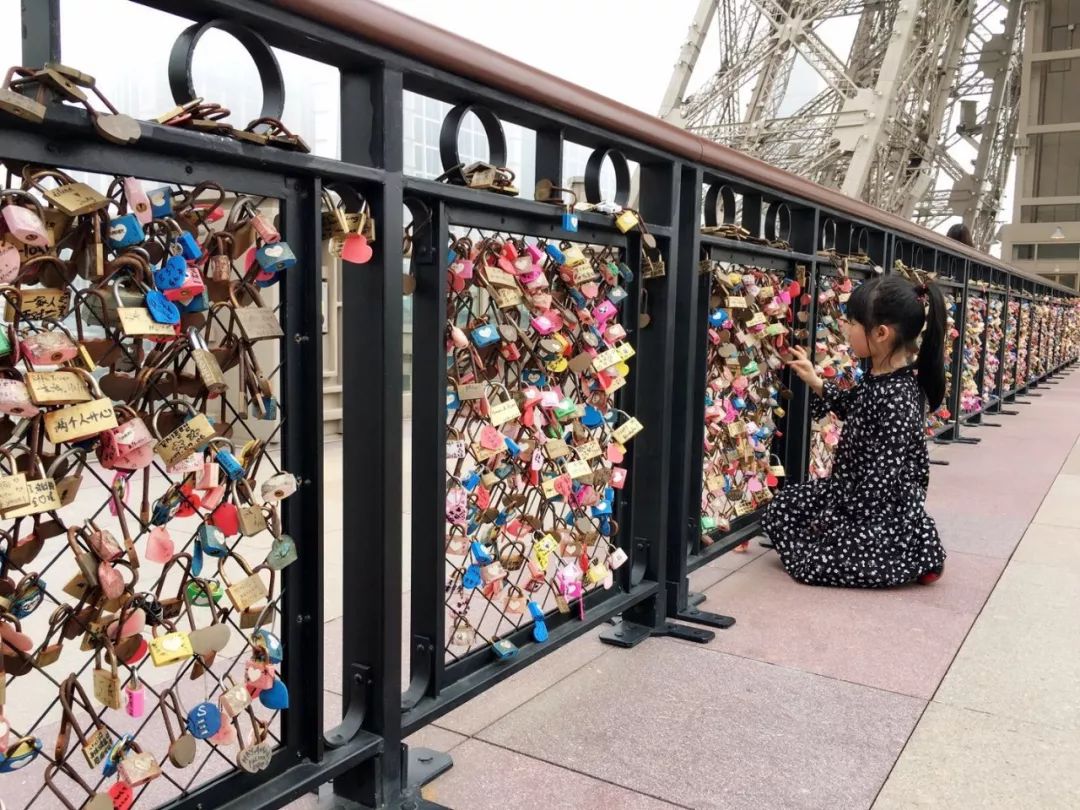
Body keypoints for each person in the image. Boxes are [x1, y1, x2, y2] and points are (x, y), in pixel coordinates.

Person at [761, 275, 947, 587]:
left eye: (852, 322)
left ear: (881, 333)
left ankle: (916, 553)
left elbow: (884, 473)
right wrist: (816, 381)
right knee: (780, 509)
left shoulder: (899, 395)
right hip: (847, 491)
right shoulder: (879, 376)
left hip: (878, 506)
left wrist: (839, 518)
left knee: (814, 566)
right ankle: (902, 551)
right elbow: (853, 405)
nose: (847, 329)